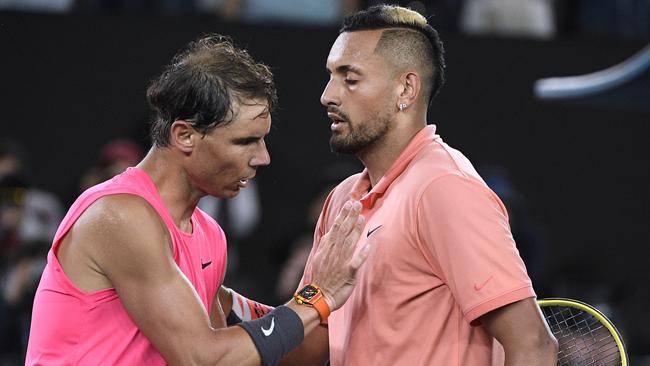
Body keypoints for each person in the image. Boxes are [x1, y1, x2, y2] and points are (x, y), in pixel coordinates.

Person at [26, 34, 370, 365]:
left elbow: (260, 353)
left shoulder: (208, 234)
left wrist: (353, 294)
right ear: (185, 135)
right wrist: (316, 298)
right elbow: (203, 359)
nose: (262, 158)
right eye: (245, 141)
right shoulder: (119, 217)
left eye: (262, 140)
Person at [299, 5, 559, 365]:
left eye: (350, 78)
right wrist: (231, 311)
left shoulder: (445, 189)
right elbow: (308, 344)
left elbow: (533, 345)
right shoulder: (342, 199)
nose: (328, 95)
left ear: (406, 88)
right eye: (330, 76)